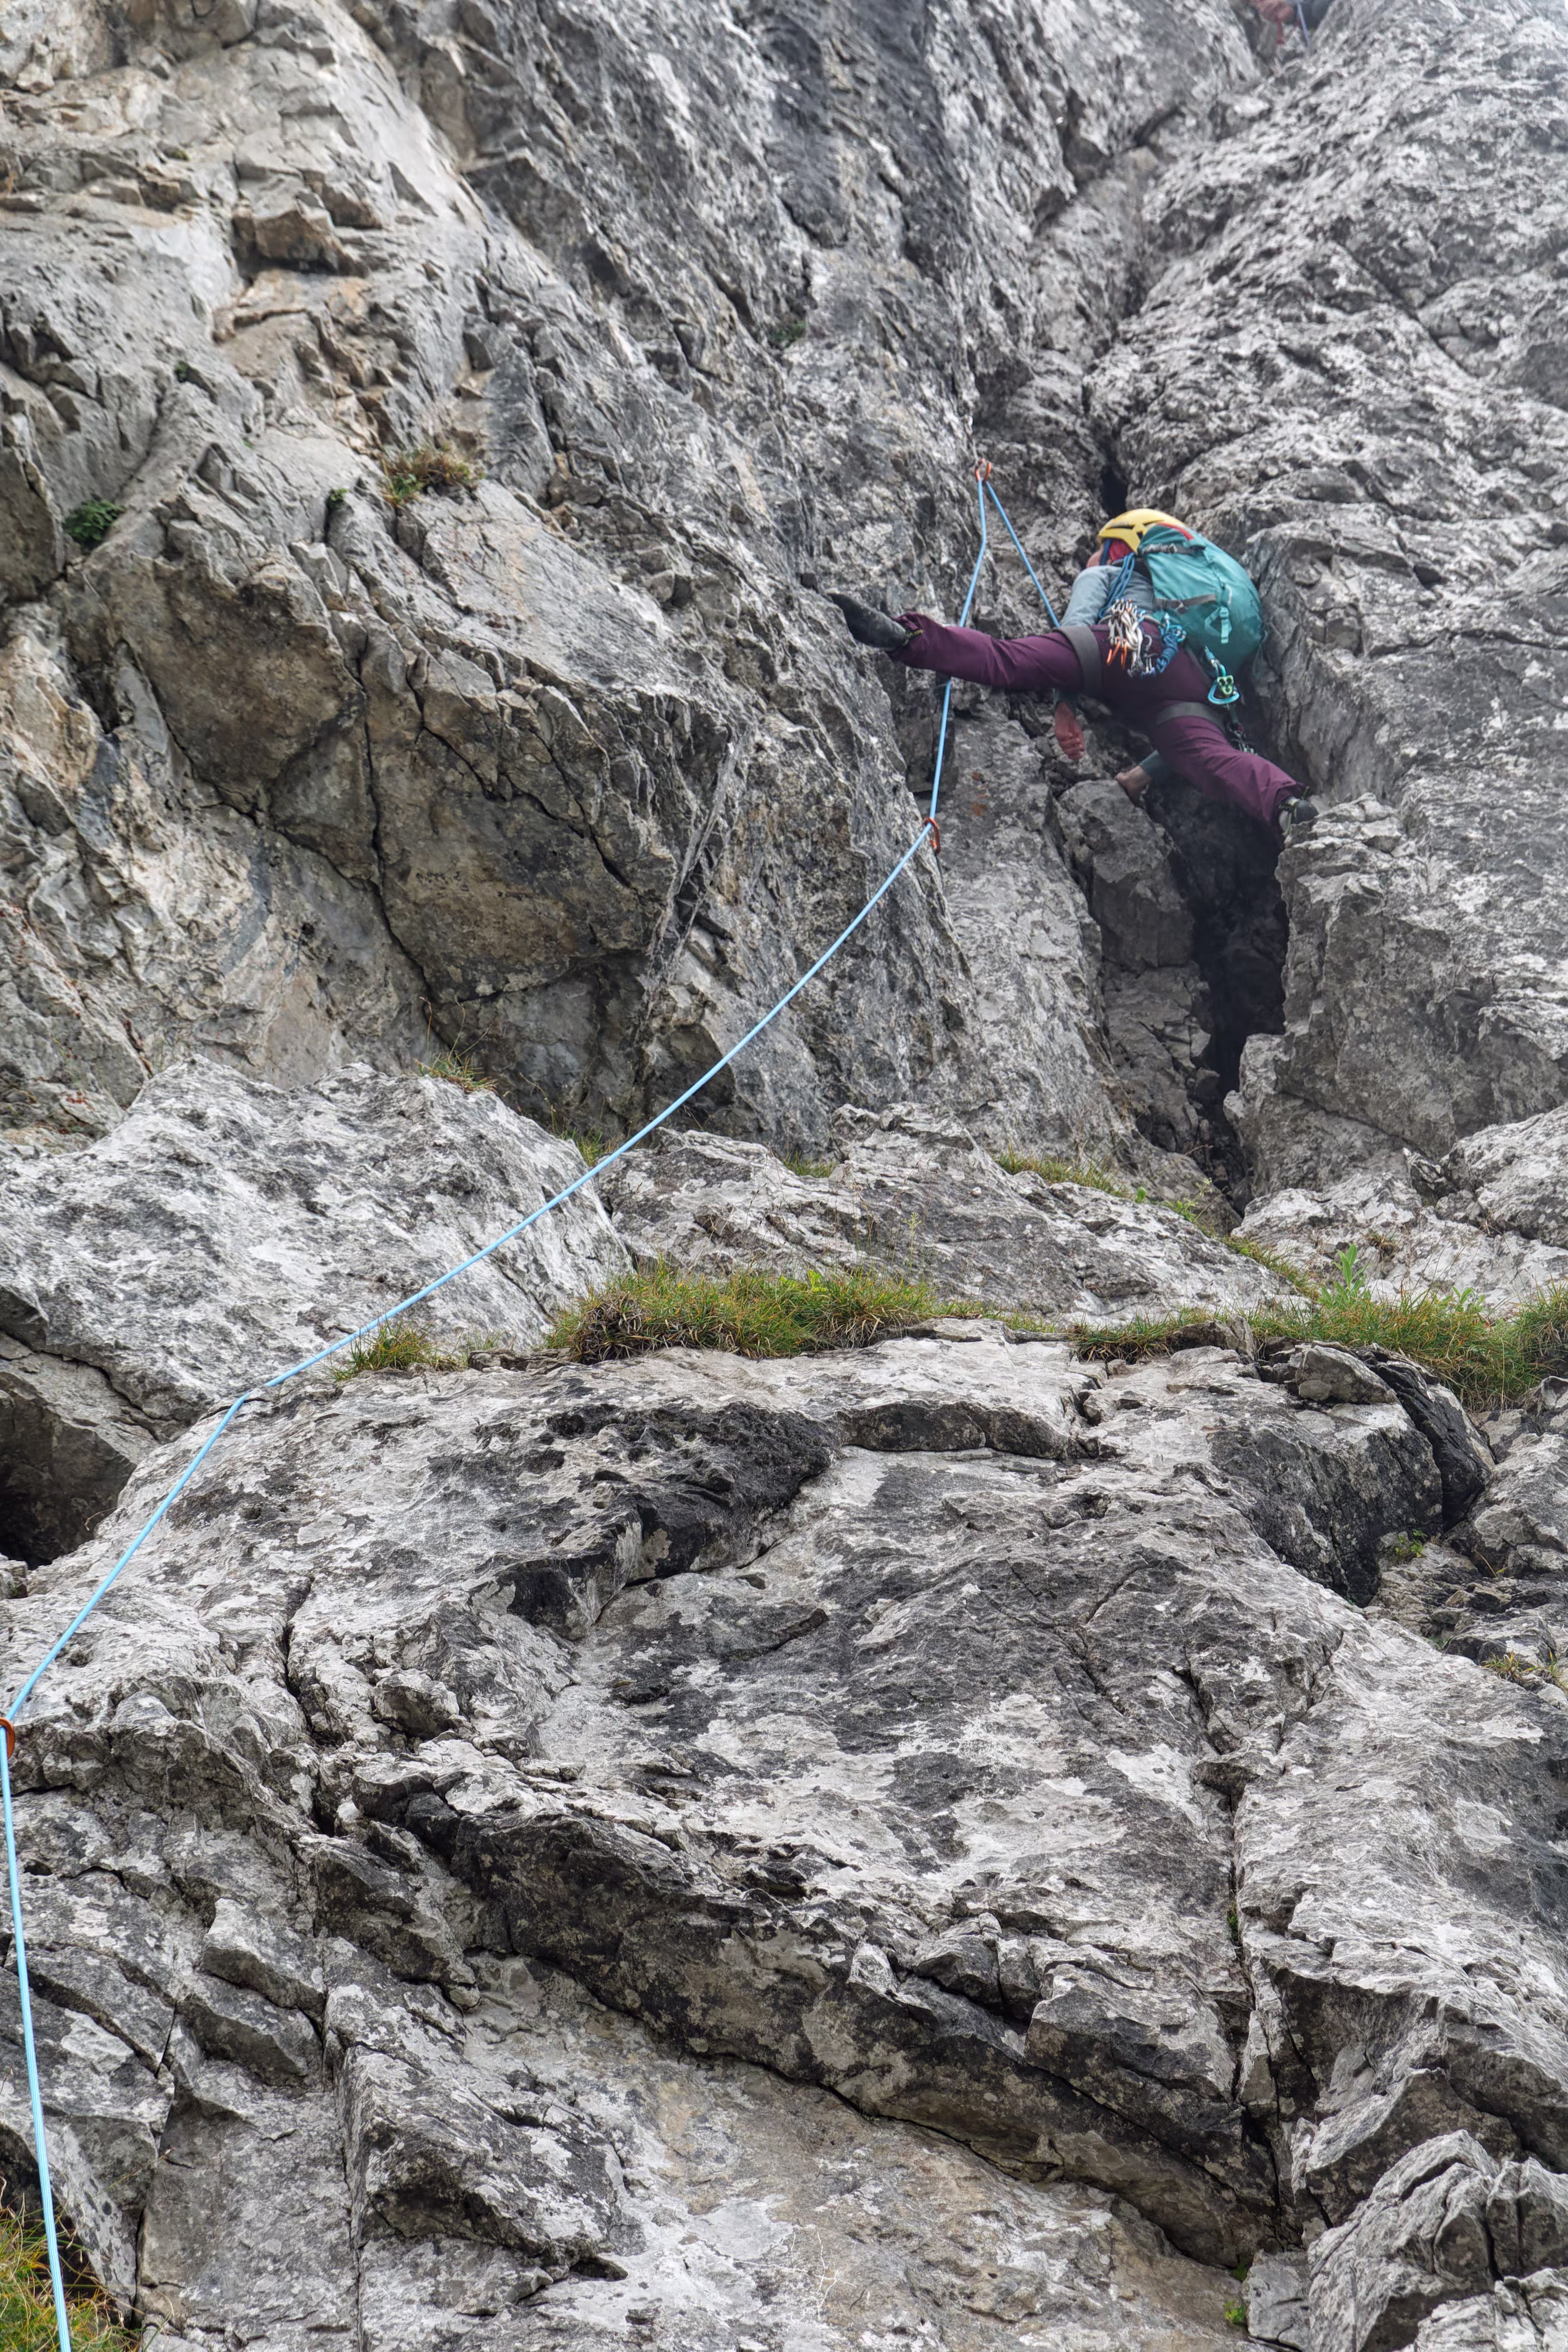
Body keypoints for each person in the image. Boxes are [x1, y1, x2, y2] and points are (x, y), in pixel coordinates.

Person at [830, 509, 1318, 842]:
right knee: (1214, 757)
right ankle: (1286, 805)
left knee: (1007, 661)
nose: (1090, 558)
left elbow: (1080, 630)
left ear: (1119, 547)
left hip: (1129, 635)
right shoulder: (1190, 611)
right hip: (1190, 678)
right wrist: (1139, 777)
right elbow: (1183, 749)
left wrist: (1065, 703)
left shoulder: (1112, 572)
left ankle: (905, 638)